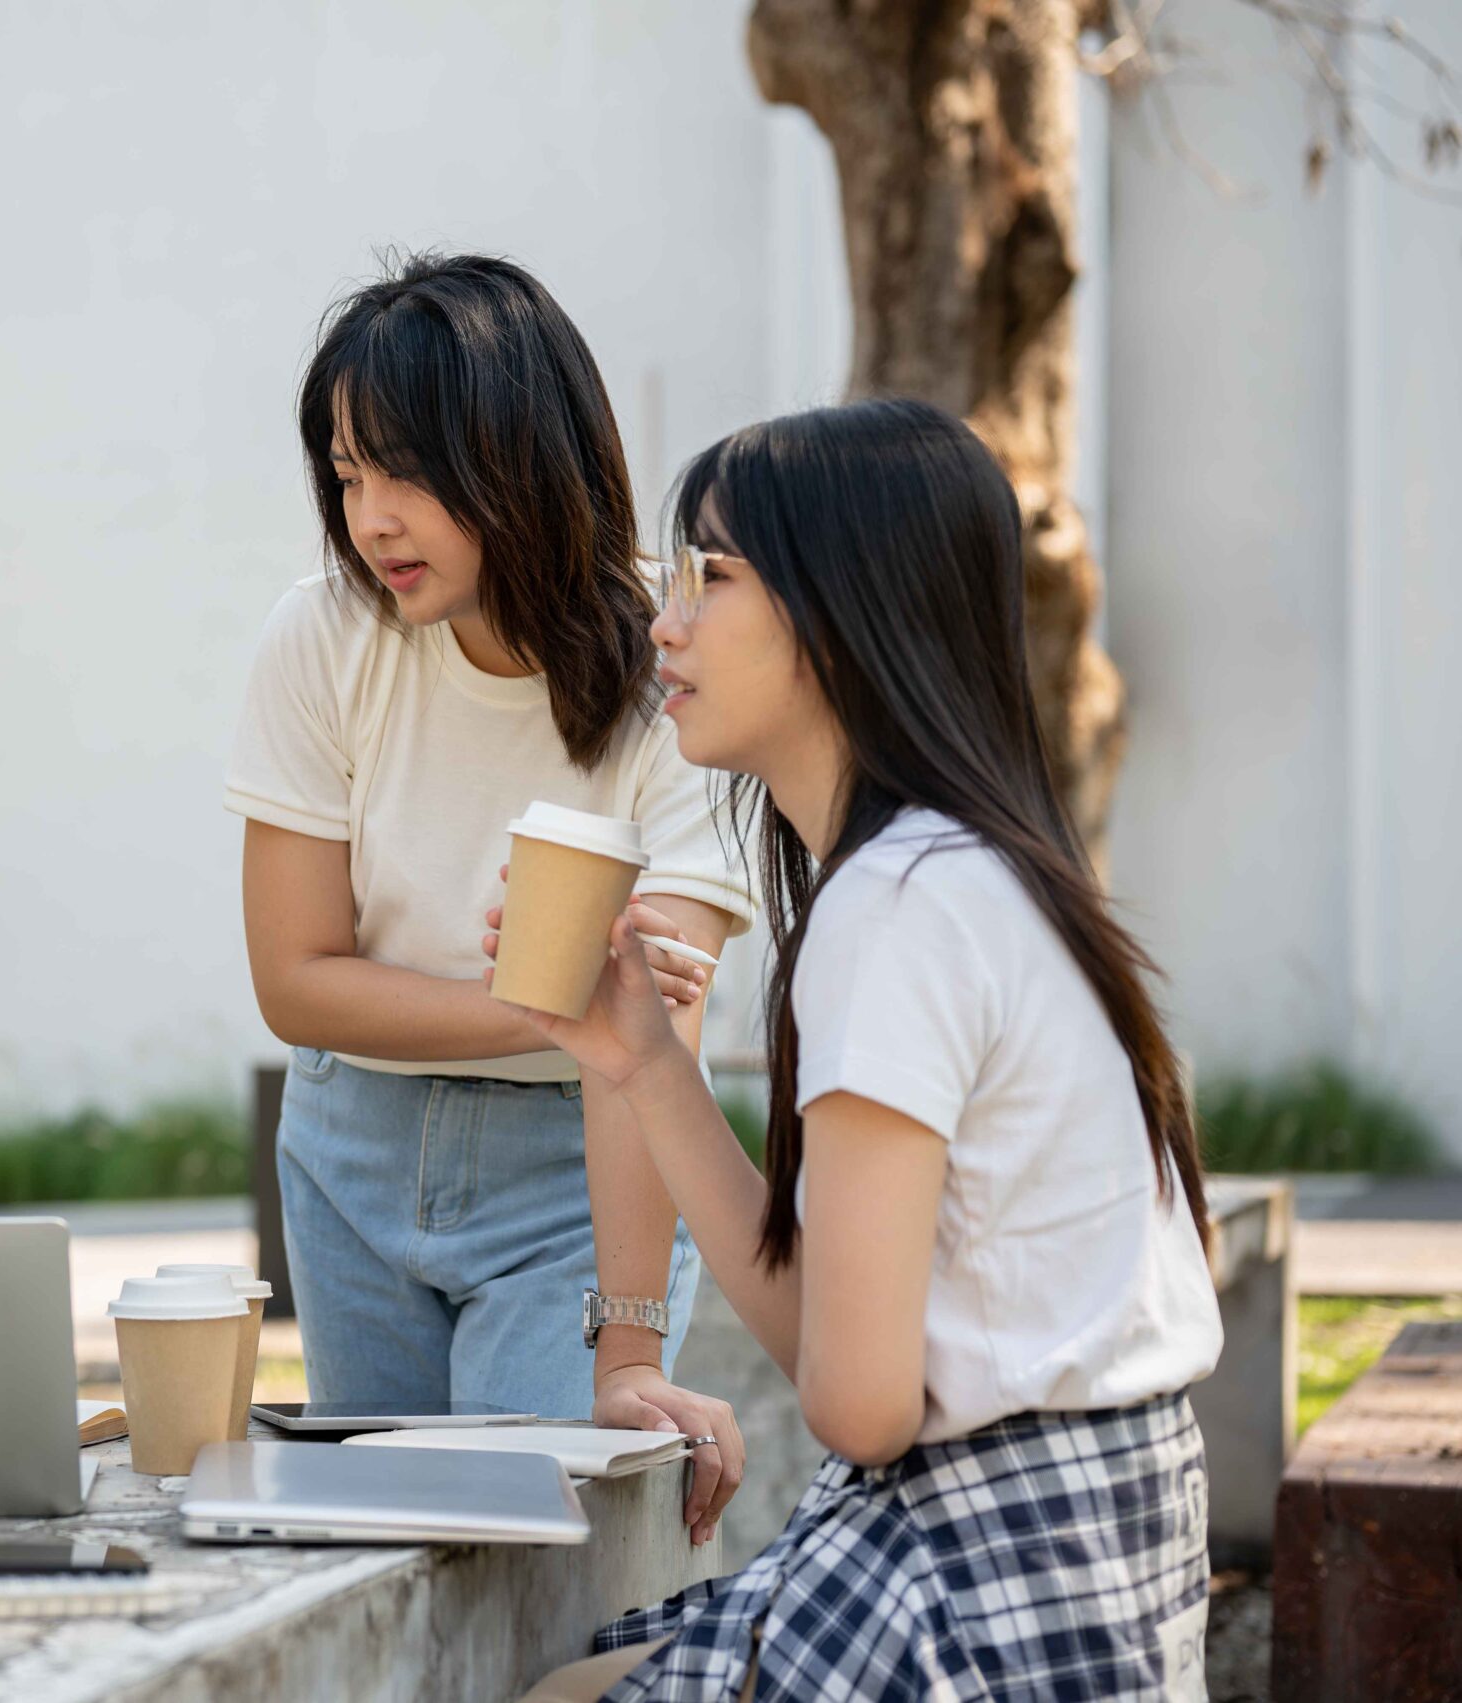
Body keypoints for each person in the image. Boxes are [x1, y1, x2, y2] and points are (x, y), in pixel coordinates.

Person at [508, 399, 1222, 1701]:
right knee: (580, 1672)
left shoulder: (896, 906)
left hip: (990, 1566)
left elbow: (860, 1407)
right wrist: (648, 1064)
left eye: (714, 578)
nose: (666, 622)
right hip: (1071, 1546)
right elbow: (848, 1354)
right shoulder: (960, 871)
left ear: (845, 618)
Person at [228, 253, 756, 1546]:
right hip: (349, 1156)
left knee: (531, 1561)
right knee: (391, 1566)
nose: (372, 517)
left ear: (520, 454)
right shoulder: (322, 636)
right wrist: (562, 1006)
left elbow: (645, 1061)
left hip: (576, 1181)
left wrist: (628, 1347)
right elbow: (297, 978)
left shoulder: (682, 667)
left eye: (405, 468)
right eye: (346, 473)